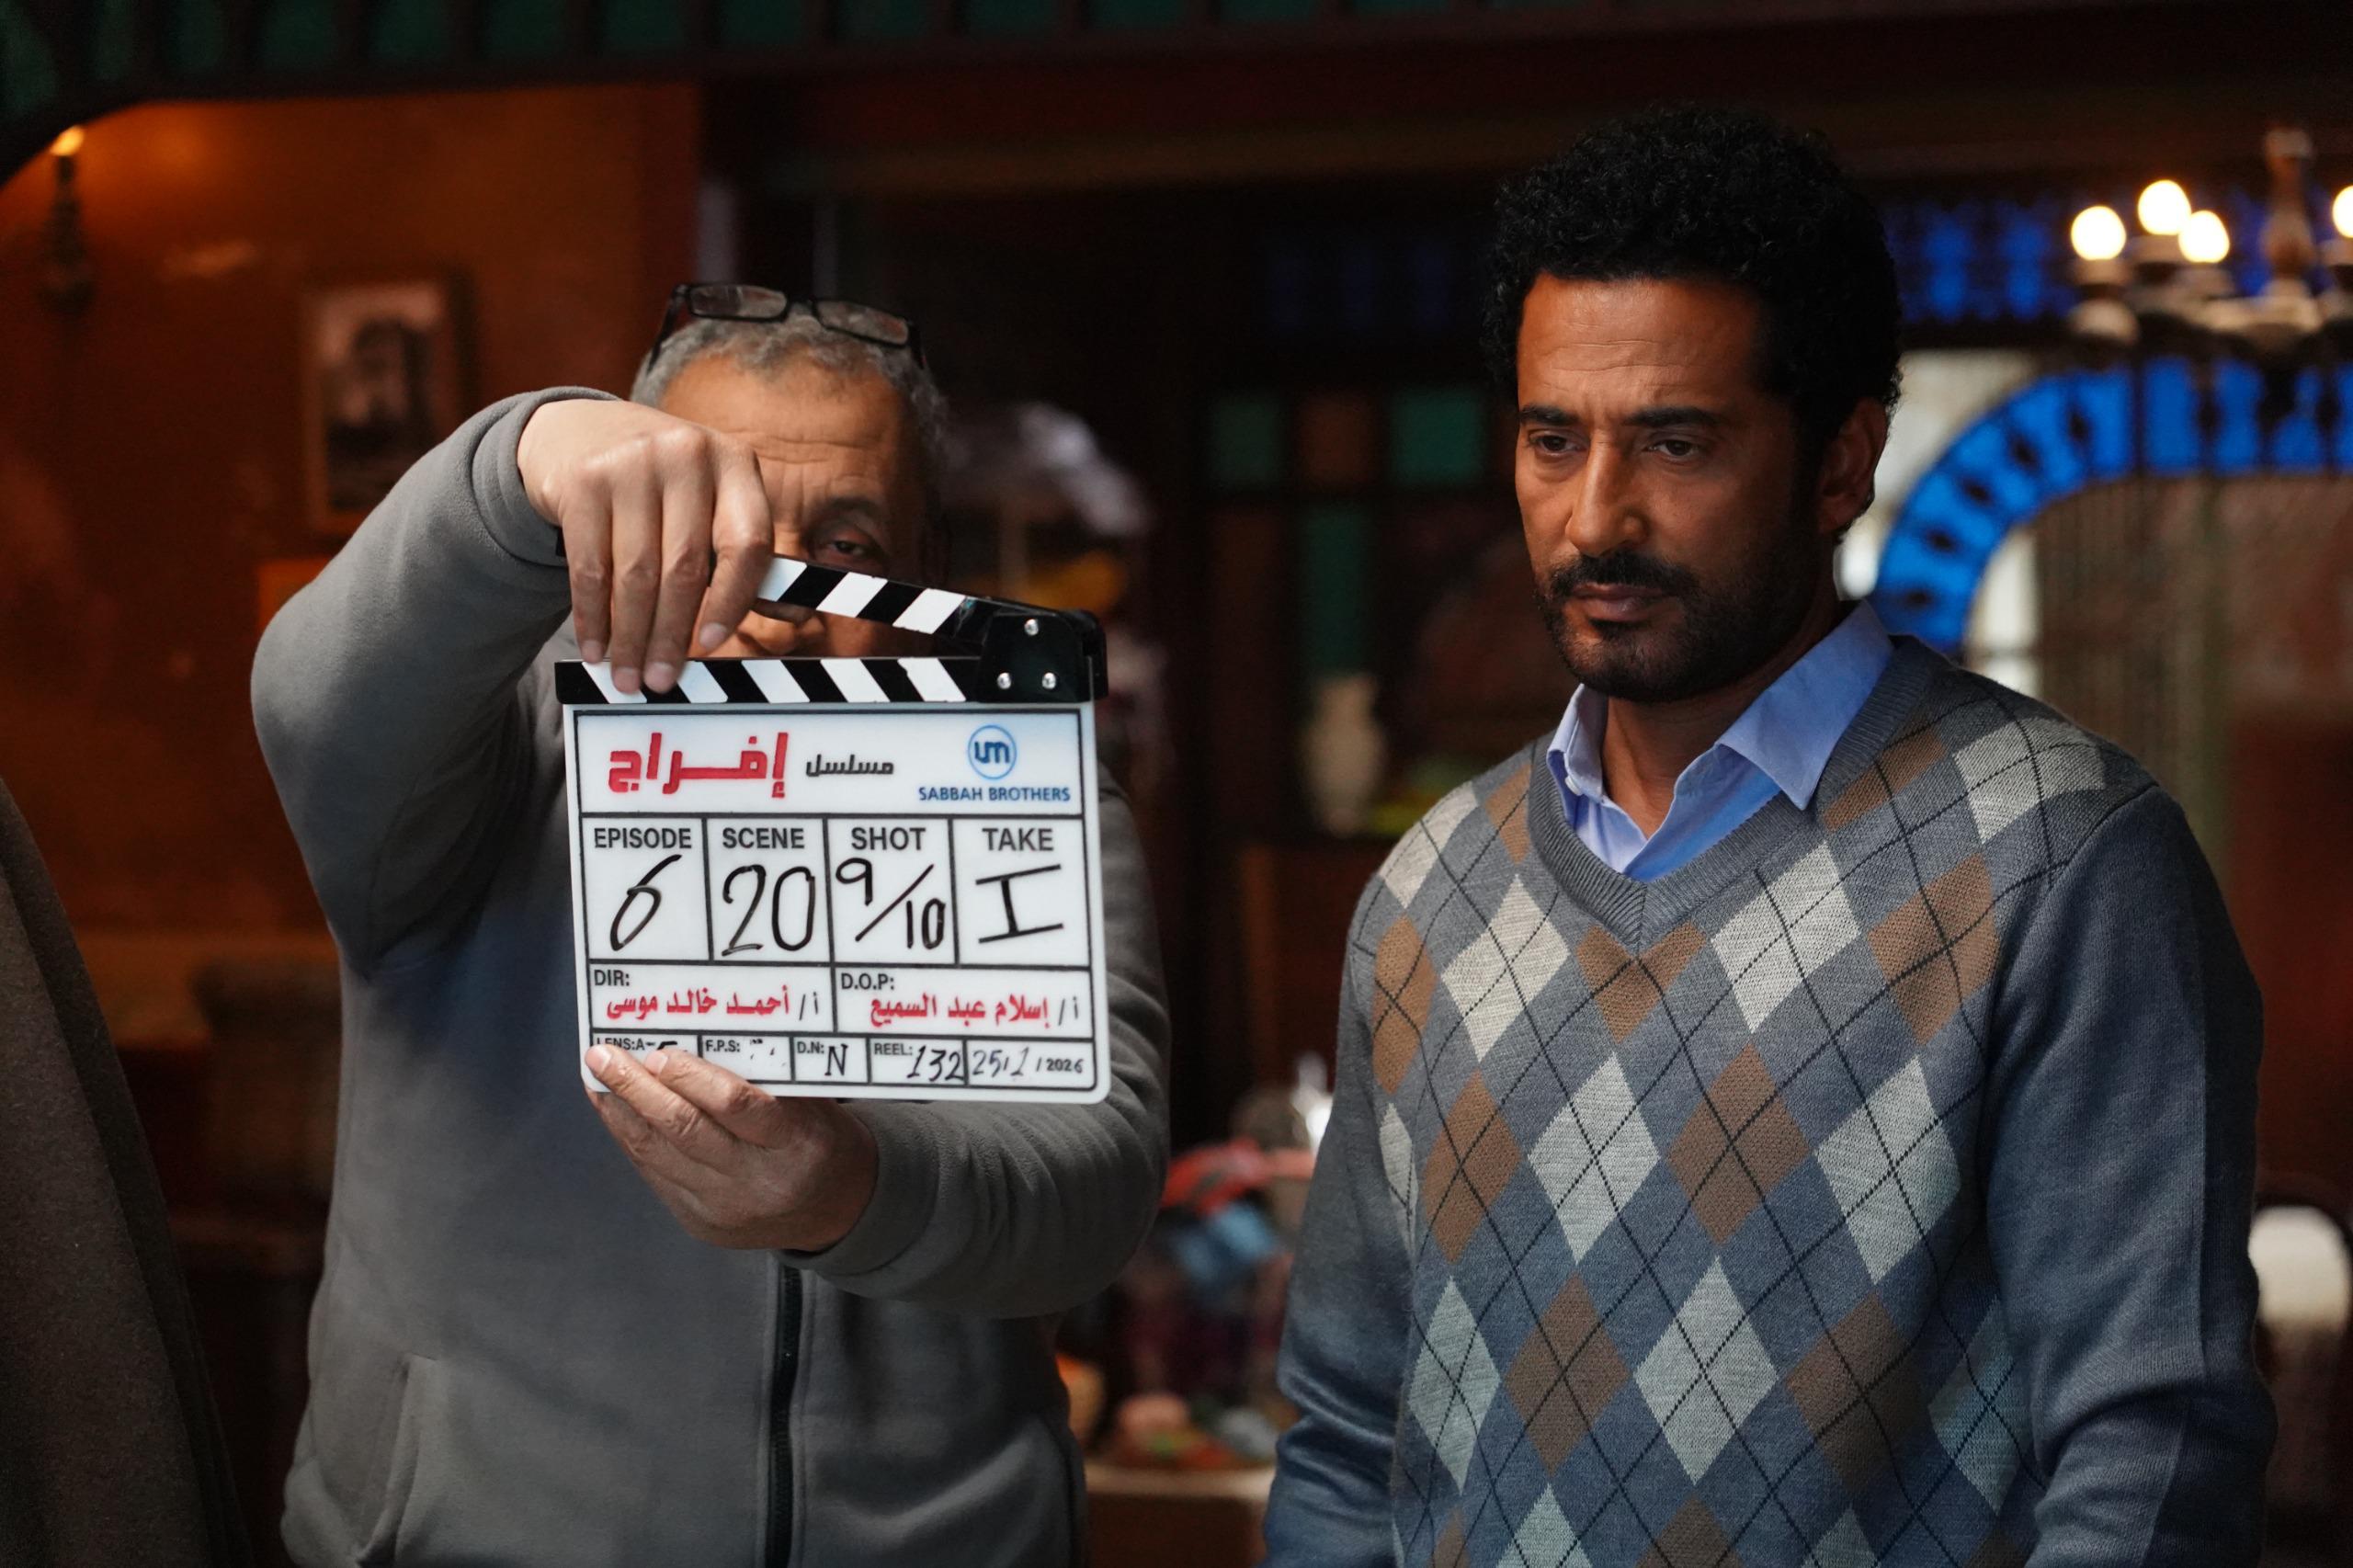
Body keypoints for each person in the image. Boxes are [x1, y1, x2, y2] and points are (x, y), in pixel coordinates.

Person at [1263, 108, 2271, 1568]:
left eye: (1676, 442)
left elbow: (2153, 1452)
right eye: (1553, 439)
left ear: (1841, 460)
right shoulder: (1429, 889)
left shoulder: (2065, 862)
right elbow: (1351, 1441)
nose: (1595, 518)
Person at [253, 286, 1170, 1567]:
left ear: (926, 570)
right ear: (612, 529)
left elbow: (1096, 1181)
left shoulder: (1020, 786)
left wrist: (857, 1191)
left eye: (845, 544)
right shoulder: (482, 757)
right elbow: (314, 700)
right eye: (711, 523)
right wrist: (526, 457)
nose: (774, 597)